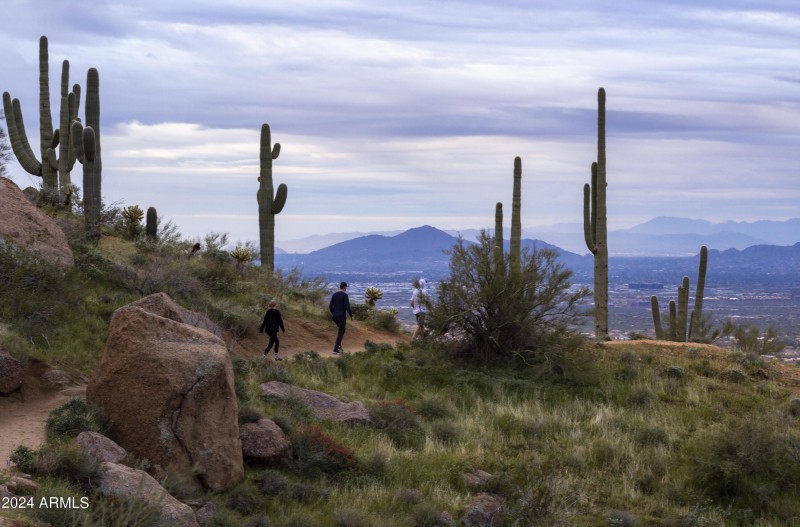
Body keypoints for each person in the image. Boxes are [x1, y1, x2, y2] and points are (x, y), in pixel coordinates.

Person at [329, 281, 352, 355]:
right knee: (341, 332)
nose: (346, 289)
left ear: (340, 286)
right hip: (342, 317)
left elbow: (330, 306)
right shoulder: (345, 295)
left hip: (335, 317)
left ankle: (339, 348)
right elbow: (347, 307)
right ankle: (336, 349)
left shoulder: (334, 294)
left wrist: (333, 313)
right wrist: (351, 315)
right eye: (346, 287)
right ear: (345, 287)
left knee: (341, 330)